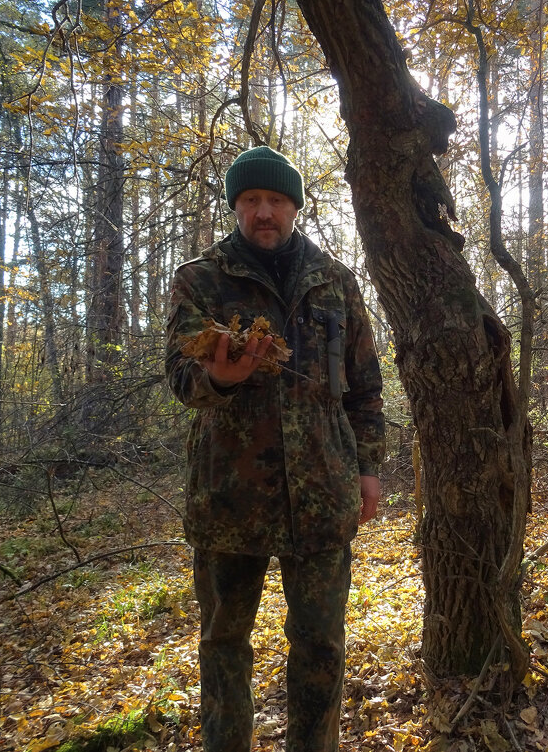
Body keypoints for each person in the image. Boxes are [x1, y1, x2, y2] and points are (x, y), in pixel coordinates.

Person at [165, 146, 386, 752]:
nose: (265, 212)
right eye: (252, 201)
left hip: (323, 494)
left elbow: (365, 386)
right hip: (228, 499)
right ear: (237, 206)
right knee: (223, 642)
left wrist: (368, 470)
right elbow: (181, 380)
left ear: (294, 207)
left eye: (277, 201)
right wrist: (221, 378)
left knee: (320, 643)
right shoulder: (200, 279)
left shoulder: (337, 283)